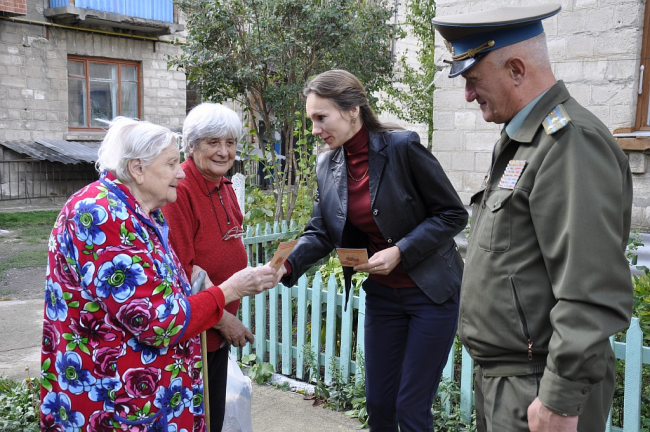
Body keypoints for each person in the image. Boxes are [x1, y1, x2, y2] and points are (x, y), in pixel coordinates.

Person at [433, 4, 633, 432]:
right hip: (511, 381)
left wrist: (560, 398)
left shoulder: (569, 144)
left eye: (473, 80)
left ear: (517, 69)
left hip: (539, 385)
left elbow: (590, 288)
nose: (467, 95)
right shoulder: (523, 141)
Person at [40, 117, 280, 431]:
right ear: (138, 169)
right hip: (114, 403)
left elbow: (163, 286)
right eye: (171, 164)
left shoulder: (141, 211)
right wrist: (229, 290)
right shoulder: (100, 214)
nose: (181, 172)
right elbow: (156, 322)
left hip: (147, 398)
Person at [279, 69, 468, 432]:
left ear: (352, 110)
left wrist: (401, 251)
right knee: (380, 405)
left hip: (431, 295)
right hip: (383, 298)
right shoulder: (327, 164)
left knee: (410, 408)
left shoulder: (402, 147)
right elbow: (320, 230)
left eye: (321, 118)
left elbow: (452, 214)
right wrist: (284, 264)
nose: (315, 129)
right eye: (311, 120)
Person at [163, 102, 263, 432]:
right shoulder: (180, 191)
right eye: (213, 142)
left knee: (214, 419)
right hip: (194, 337)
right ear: (191, 146)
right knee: (201, 421)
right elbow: (181, 273)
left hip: (216, 335)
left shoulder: (223, 185)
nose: (223, 151)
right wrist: (225, 320)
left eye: (230, 143)